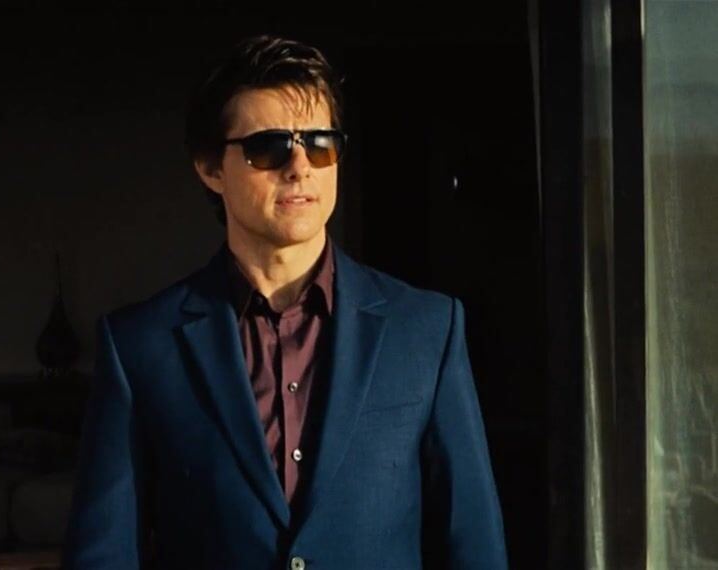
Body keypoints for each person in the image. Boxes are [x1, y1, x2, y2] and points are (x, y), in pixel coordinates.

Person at [62, 35, 507, 569]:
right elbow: (104, 554)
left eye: (320, 143)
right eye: (269, 147)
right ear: (210, 167)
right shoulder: (140, 345)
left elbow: (473, 543)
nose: (299, 166)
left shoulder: (427, 330)